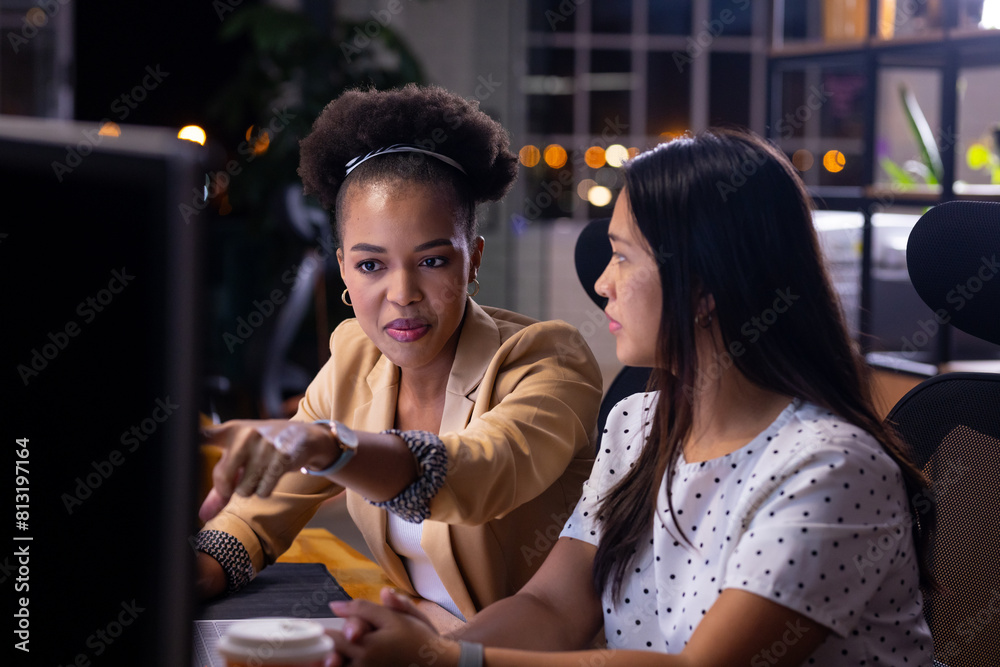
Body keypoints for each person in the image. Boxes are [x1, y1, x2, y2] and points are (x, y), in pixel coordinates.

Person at [324, 128, 936, 666]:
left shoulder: (830, 468)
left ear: (703, 288)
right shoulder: (637, 425)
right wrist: (437, 656)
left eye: (621, 257)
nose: (601, 283)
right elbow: (552, 607)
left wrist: (445, 661)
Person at [195, 84, 603, 621]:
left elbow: (481, 474)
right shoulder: (353, 360)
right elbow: (259, 511)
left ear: (472, 260)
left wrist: (335, 446)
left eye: (432, 261)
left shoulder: (548, 360)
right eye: (371, 265)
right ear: (342, 267)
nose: (402, 293)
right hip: (421, 638)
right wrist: (199, 568)